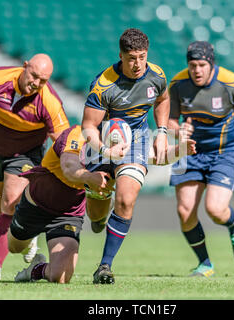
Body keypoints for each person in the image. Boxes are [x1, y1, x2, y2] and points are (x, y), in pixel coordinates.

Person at [0, 54, 70, 280]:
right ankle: (29, 230)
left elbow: (64, 142)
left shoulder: (49, 102)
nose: (36, 84)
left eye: (43, 81)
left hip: (26, 154)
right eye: (34, 76)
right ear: (25, 66)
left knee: (9, 202)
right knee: (0, 208)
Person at [168, 41, 234, 278]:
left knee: (215, 209)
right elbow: (170, 119)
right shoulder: (177, 84)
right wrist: (177, 131)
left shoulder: (231, 83)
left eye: (202, 65)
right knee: (185, 212)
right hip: (191, 152)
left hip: (225, 152)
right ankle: (205, 264)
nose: (196, 70)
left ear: (211, 64)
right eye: (192, 65)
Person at [81, 28, 170, 284]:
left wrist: (162, 132)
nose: (138, 64)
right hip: (102, 141)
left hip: (137, 140)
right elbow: (88, 126)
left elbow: (163, 100)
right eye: (132, 58)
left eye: (142, 57)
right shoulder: (103, 85)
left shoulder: (157, 75)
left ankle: (105, 266)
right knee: (97, 214)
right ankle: (98, 216)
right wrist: (105, 150)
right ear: (121, 55)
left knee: (126, 199)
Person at [8, 125, 113, 284]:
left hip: (68, 214)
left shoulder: (119, 149)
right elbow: (69, 168)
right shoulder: (77, 134)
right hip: (36, 203)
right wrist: (90, 177)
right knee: (14, 247)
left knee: (60, 277)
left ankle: (36, 269)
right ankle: (30, 239)